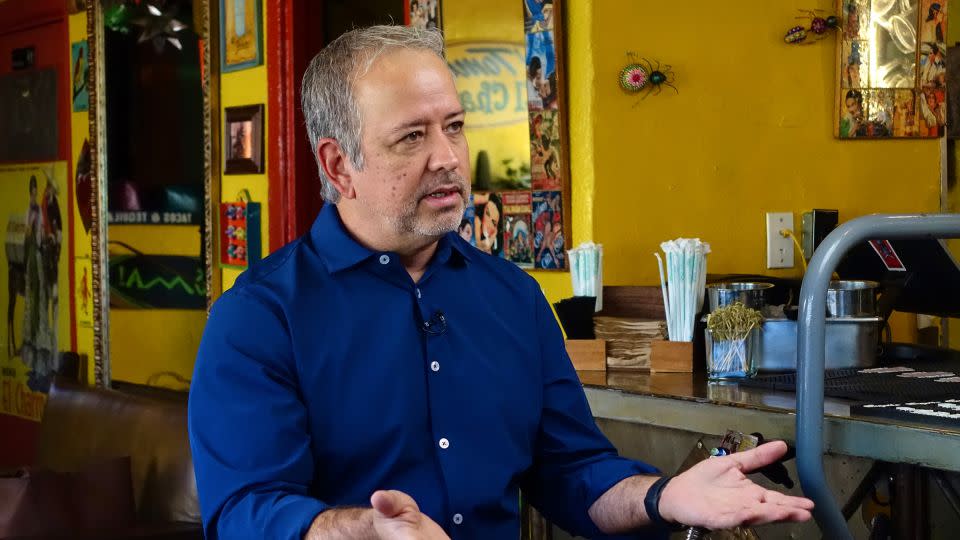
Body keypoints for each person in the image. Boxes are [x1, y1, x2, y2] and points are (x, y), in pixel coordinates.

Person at [188, 25, 813, 540]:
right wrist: (366, 532)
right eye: (413, 136)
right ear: (337, 165)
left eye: (454, 126)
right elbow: (246, 512)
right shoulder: (258, 318)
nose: (448, 158)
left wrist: (665, 496)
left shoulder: (512, 296)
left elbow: (574, 473)